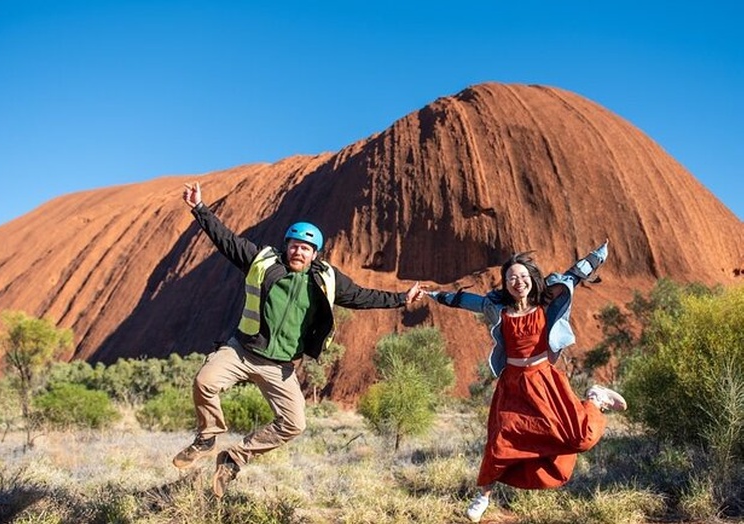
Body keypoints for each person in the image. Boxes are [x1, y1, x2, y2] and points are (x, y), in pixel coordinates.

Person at [174, 182, 422, 498]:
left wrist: (402, 298)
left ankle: (234, 458)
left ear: (315, 253)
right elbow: (226, 240)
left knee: (294, 423)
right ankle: (208, 436)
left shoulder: (326, 279)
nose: (298, 251)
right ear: (286, 245)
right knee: (204, 381)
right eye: (293, 244)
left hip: (279, 367)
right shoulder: (262, 261)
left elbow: (362, 296)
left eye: (305, 247)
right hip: (243, 350)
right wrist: (199, 209)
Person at [424, 241, 626, 522]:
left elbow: (573, 276)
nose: (517, 281)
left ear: (532, 278)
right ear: (505, 284)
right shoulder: (498, 309)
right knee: (499, 441)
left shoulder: (545, 303)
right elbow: (464, 301)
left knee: (580, 438)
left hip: (544, 380)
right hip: (513, 384)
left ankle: (595, 399)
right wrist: (434, 295)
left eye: (522, 276)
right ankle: (483, 495)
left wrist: (597, 256)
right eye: (511, 278)